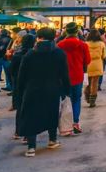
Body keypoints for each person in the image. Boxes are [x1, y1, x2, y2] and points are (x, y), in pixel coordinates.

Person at [17, 27, 70, 157]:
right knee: (51, 113)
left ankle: (31, 147)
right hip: (52, 89)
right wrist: (66, 90)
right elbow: (64, 74)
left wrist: (19, 92)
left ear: (38, 38)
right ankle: (52, 140)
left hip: (32, 89)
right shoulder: (59, 53)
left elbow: (21, 76)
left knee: (31, 116)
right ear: (53, 38)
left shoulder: (30, 54)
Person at [57, 22, 91, 134]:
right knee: (76, 100)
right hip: (77, 75)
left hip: (63, 76)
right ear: (77, 32)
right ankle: (75, 122)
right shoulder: (83, 45)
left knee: (65, 100)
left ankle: (65, 125)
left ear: (66, 31)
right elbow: (87, 61)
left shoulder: (60, 45)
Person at [10, 34, 36, 139]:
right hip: (31, 84)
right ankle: (27, 134)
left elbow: (11, 71)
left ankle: (18, 131)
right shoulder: (34, 55)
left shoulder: (17, 55)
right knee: (31, 109)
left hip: (19, 84)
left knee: (20, 109)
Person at [85, 29, 106, 108]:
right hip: (98, 64)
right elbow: (104, 56)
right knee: (95, 83)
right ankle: (92, 101)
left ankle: (87, 97)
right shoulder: (101, 44)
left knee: (89, 82)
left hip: (88, 64)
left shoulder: (86, 44)